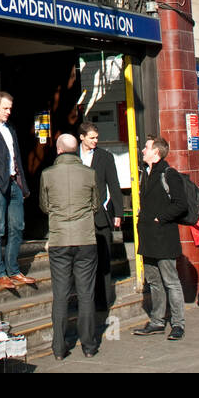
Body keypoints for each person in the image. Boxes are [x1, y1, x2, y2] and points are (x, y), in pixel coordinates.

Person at [39, 133, 100, 359]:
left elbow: (44, 206)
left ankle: (58, 348)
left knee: (61, 295)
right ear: (76, 150)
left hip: (59, 240)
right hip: (85, 239)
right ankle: (89, 346)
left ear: (58, 150)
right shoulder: (89, 173)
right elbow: (95, 204)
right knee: (86, 294)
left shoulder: (47, 175)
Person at [132, 135, 189, 342]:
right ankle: (156, 321)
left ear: (156, 152)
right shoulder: (144, 173)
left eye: (146, 148)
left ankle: (177, 324)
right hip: (148, 238)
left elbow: (181, 204)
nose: (143, 150)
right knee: (154, 282)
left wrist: (160, 218)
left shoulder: (168, 174)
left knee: (171, 282)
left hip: (164, 238)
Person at [0, 91, 34, 289]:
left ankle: (13, 269)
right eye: (5, 108)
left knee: (17, 227)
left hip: (14, 183)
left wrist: (23, 186)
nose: (8, 112)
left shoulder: (10, 128)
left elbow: (17, 157)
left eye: (10, 108)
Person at [78, 122, 123, 314]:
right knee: (82, 260)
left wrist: (118, 213)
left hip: (100, 216)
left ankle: (102, 301)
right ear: (82, 137)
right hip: (79, 216)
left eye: (97, 138)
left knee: (103, 259)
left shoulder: (105, 157)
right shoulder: (72, 157)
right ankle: (84, 299)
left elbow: (114, 184)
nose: (95, 141)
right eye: (91, 138)